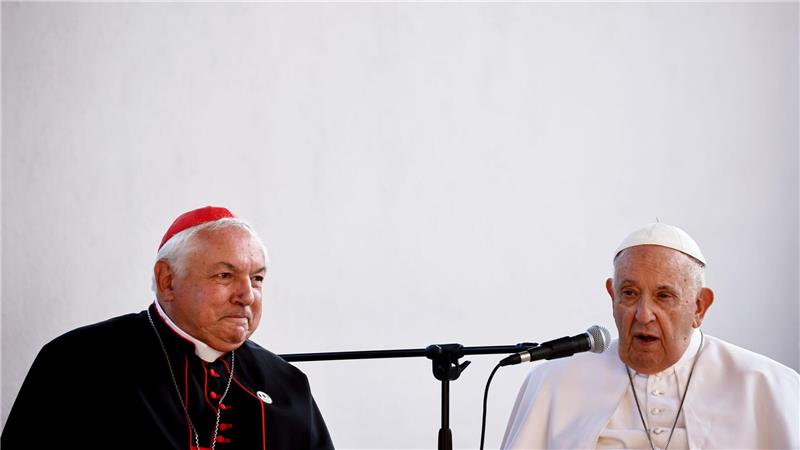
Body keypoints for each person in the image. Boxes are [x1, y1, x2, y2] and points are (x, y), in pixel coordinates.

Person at [2, 206, 335, 450]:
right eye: (225, 275)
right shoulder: (78, 362)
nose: (246, 295)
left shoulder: (286, 384)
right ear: (167, 281)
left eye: (257, 278)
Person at [501, 223, 799, 449]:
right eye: (629, 293)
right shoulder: (554, 383)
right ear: (612, 296)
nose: (644, 315)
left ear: (699, 306)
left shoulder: (766, 385)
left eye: (664, 296)